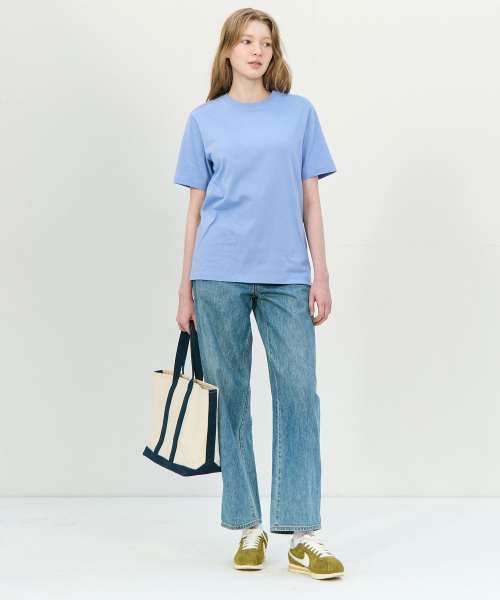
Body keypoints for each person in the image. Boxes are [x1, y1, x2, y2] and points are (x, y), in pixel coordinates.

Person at [174, 8, 344, 580]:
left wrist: (321, 274)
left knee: (299, 394)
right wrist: (184, 289)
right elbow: (195, 210)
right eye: (246, 41)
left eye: (265, 42)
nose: (256, 50)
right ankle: (249, 525)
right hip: (217, 272)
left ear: (275, 52)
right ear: (228, 50)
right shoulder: (204, 120)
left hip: (286, 274)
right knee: (232, 396)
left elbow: (311, 201)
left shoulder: (299, 114)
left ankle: (302, 533)